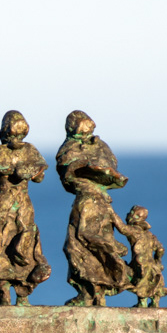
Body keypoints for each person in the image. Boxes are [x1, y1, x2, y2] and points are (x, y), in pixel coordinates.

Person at [0, 110, 51, 306]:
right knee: (12, 244)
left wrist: (7, 169)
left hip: (9, 202)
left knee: (2, 244)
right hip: (17, 202)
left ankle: (9, 293)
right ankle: (17, 295)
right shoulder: (24, 151)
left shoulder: (4, 151)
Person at [56, 110, 131, 306]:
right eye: (81, 133)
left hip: (96, 201)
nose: (85, 137)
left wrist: (95, 169)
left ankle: (98, 291)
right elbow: (66, 174)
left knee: (88, 243)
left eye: (87, 132)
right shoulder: (68, 147)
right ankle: (90, 292)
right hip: (86, 200)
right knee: (77, 245)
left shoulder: (101, 146)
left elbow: (111, 168)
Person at [115, 206, 167, 307]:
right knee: (152, 281)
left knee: (139, 281)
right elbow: (160, 249)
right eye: (131, 212)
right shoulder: (150, 235)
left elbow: (122, 228)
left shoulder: (135, 231)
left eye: (136, 215)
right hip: (152, 264)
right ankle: (154, 303)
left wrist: (112, 215)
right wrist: (158, 261)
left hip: (140, 263)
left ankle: (142, 303)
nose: (131, 216)